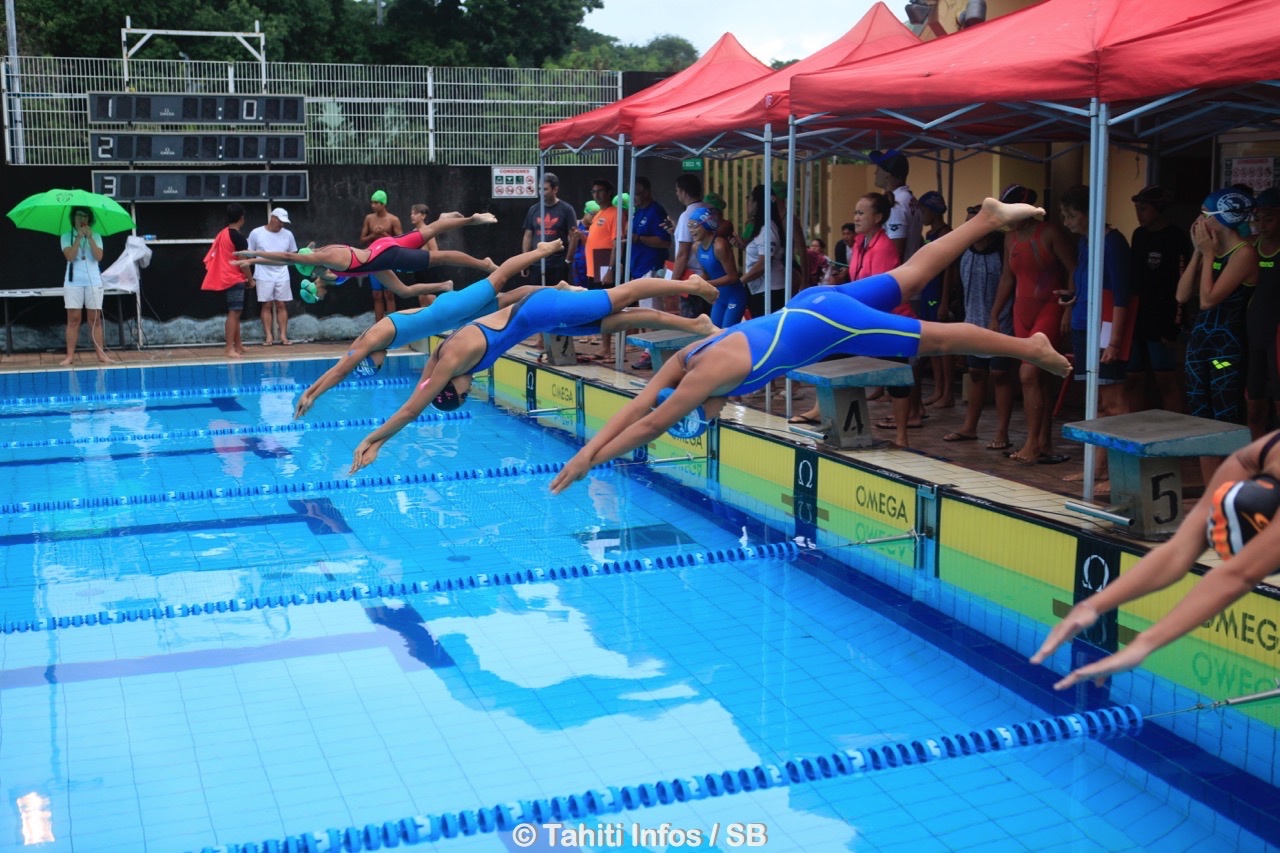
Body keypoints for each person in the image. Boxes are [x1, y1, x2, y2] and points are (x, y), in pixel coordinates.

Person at [550, 198, 1072, 495]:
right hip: (812, 300)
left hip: (831, 322)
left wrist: (589, 463)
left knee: (934, 338)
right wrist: (587, 449)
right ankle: (985, 218)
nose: (713, 413)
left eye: (704, 414)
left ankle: (1029, 348)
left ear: (695, 402)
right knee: (910, 277)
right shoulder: (689, 360)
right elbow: (640, 404)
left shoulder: (704, 380)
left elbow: (650, 423)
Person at [347, 275, 722, 473]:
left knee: (619, 296)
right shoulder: (439, 366)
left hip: (543, 308)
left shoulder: (451, 361)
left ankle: (687, 285)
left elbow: (412, 410)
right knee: (619, 322)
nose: (471, 386)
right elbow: (420, 393)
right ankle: (699, 325)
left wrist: (377, 440)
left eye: (464, 392)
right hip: (542, 318)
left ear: (452, 389)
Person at [1031, 430, 1280, 690]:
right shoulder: (1260, 454)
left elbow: (1237, 575)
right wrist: (1092, 606)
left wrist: (1144, 643)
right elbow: (1178, 551)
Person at [294, 240, 572, 418]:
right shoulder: (380, 343)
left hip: (448, 311)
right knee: (507, 301)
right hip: (451, 318)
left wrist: (313, 395)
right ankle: (556, 289)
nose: (380, 364)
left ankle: (541, 250)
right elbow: (343, 366)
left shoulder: (372, 339)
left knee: (498, 279)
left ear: (369, 357)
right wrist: (310, 391)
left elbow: (341, 368)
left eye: (375, 366)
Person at [990, 184, 1075, 465]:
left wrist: (1068, 310)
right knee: (1037, 376)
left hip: (1049, 307)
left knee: (1029, 375)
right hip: (1021, 311)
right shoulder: (1010, 238)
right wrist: (995, 313)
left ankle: (1032, 443)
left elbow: (1073, 269)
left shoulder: (1049, 233)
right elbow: (1007, 278)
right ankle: (1043, 442)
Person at [235, 211, 497, 302]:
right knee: (404, 290)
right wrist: (253, 260)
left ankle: (482, 262)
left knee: (437, 257)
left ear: (311, 269)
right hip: (379, 257)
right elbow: (290, 257)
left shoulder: (326, 266)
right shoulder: (321, 254)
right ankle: (445, 285)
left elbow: (288, 258)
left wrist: (254, 252)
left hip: (387, 256)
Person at [1178, 188, 1258, 482]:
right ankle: (1211, 491)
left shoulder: (1244, 253)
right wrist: (1199, 253)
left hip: (1226, 352)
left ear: (1221, 218)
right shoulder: (1212, 253)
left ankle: (1232, 490)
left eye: (1204, 213)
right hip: (1199, 346)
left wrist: (1209, 254)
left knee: (1225, 422)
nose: (1198, 220)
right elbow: (1182, 294)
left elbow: (1208, 299)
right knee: (1200, 422)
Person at [1058, 185, 1132, 490]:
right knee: (1098, 402)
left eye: (1070, 215)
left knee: (1115, 402)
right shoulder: (1086, 243)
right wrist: (1072, 298)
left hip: (1104, 328)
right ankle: (1098, 468)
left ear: (1088, 214)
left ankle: (1120, 471)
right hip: (1084, 324)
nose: (1066, 222)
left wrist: (1115, 341)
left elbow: (1122, 295)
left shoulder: (1112, 242)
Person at [944, 204, 1014, 450]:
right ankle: (969, 427)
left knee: (1000, 375)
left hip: (1000, 321)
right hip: (973, 320)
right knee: (975, 373)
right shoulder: (965, 250)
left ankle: (1002, 432)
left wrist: (998, 315)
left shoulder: (1002, 249)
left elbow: (1010, 282)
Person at [1125, 185, 1192, 414]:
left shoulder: (1176, 238)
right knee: (1133, 376)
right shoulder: (1139, 235)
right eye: (1137, 208)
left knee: (1165, 378)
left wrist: (1175, 325)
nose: (1139, 214)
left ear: (1159, 209)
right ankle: (1138, 428)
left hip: (1162, 318)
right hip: (1137, 317)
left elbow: (1183, 285)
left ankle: (1173, 432)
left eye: (1144, 209)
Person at [917, 190, 958, 409]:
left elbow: (949, 270)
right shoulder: (930, 234)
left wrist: (944, 300)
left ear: (933, 211)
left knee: (943, 346)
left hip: (938, 293)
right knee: (931, 345)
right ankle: (938, 389)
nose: (921, 216)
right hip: (928, 291)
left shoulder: (945, 234)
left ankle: (948, 392)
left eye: (923, 211)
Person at [627, 177, 673, 370]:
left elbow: (665, 242)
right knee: (645, 313)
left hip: (651, 267)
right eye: (632, 195)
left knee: (652, 313)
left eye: (637, 194)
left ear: (647, 192)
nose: (634, 198)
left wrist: (640, 238)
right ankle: (650, 350)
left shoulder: (656, 211)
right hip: (638, 267)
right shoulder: (638, 212)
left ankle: (654, 353)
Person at [1247, 188, 1280, 439]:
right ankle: (1258, 461)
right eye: (1257, 219)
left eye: (1268, 218)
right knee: (1254, 408)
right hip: (1253, 334)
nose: (1262, 225)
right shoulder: (1249, 249)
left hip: (1277, 338)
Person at [202, 203, 253, 359]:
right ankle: (229, 348)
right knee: (234, 312)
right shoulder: (238, 237)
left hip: (226, 275)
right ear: (242, 219)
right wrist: (250, 279)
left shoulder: (223, 233)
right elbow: (243, 261)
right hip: (234, 277)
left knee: (236, 312)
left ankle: (238, 345)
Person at [59, 205, 108, 366]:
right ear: (74, 217)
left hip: (93, 280)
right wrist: (78, 238)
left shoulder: (96, 235)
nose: (83, 219)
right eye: (80, 215)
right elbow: (70, 257)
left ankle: (101, 355)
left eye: (86, 216)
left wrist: (91, 238)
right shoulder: (66, 236)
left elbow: (98, 257)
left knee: (95, 319)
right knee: (73, 319)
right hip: (74, 281)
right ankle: (70, 356)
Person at [664, 174, 713, 318]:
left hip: (692, 277)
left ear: (684, 192)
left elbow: (683, 254)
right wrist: (676, 232)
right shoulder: (709, 209)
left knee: (692, 325)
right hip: (709, 273)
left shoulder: (688, 216)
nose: (677, 194)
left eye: (677, 191)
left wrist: (672, 284)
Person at [248, 207, 297, 346]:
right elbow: (250, 253)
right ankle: (268, 336)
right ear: (272, 218)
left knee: (282, 304)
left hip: (282, 273)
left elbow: (293, 254)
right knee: (267, 305)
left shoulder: (288, 234)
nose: (281, 224)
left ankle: (283, 336)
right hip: (263, 273)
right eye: (280, 221)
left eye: (284, 222)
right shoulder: (256, 233)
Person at [688, 207, 744, 329]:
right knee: (714, 334)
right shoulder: (696, 247)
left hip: (734, 296)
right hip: (719, 297)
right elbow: (707, 273)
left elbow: (733, 277)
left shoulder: (719, 245)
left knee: (725, 335)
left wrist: (706, 284)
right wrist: (693, 282)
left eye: (695, 225)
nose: (691, 230)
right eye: (689, 226)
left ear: (707, 224)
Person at [741, 184, 787, 321]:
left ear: (757, 203)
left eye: (749, 198)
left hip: (769, 291)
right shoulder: (761, 227)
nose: (748, 203)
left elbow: (763, 264)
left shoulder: (768, 229)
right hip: (760, 290)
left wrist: (740, 281)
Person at [521, 173, 575, 286]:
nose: (541, 192)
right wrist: (525, 260)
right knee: (537, 296)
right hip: (537, 262)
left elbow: (573, 235)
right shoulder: (533, 210)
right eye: (540, 189)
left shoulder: (567, 209)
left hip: (558, 264)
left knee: (557, 296)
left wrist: (568, 260)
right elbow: (528, 236)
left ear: (555, 189)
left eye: (545, 189)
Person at [869, 149, 922, 262]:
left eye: (878, 169)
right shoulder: (908, 198)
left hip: (897, 276)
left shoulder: (896, 203)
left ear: (888, 176)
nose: (875, 173)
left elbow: (895, 253)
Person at [361, 189, 403, 323]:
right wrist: (373, 235)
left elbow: (401, 241)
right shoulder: (369, 219)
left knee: (389, 293)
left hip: (389, 259)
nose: (373, 205)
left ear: (383, 204)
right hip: (374, 258)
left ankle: (392, 326)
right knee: (377, 294)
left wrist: (384, 234)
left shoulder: (393, 220)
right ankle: (378, 326)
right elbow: (362, 240)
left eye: (376, 203)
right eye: (372, 202)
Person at [565, 201, 598, 289]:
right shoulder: (576, 224)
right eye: (592, 214)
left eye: (597, 215)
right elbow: (569, 244)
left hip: (592, 264)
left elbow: (594, 245)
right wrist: (574, 237)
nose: (594, 218)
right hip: (578, 264)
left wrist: (582, 237)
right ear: (586, 212)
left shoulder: (596, 227)